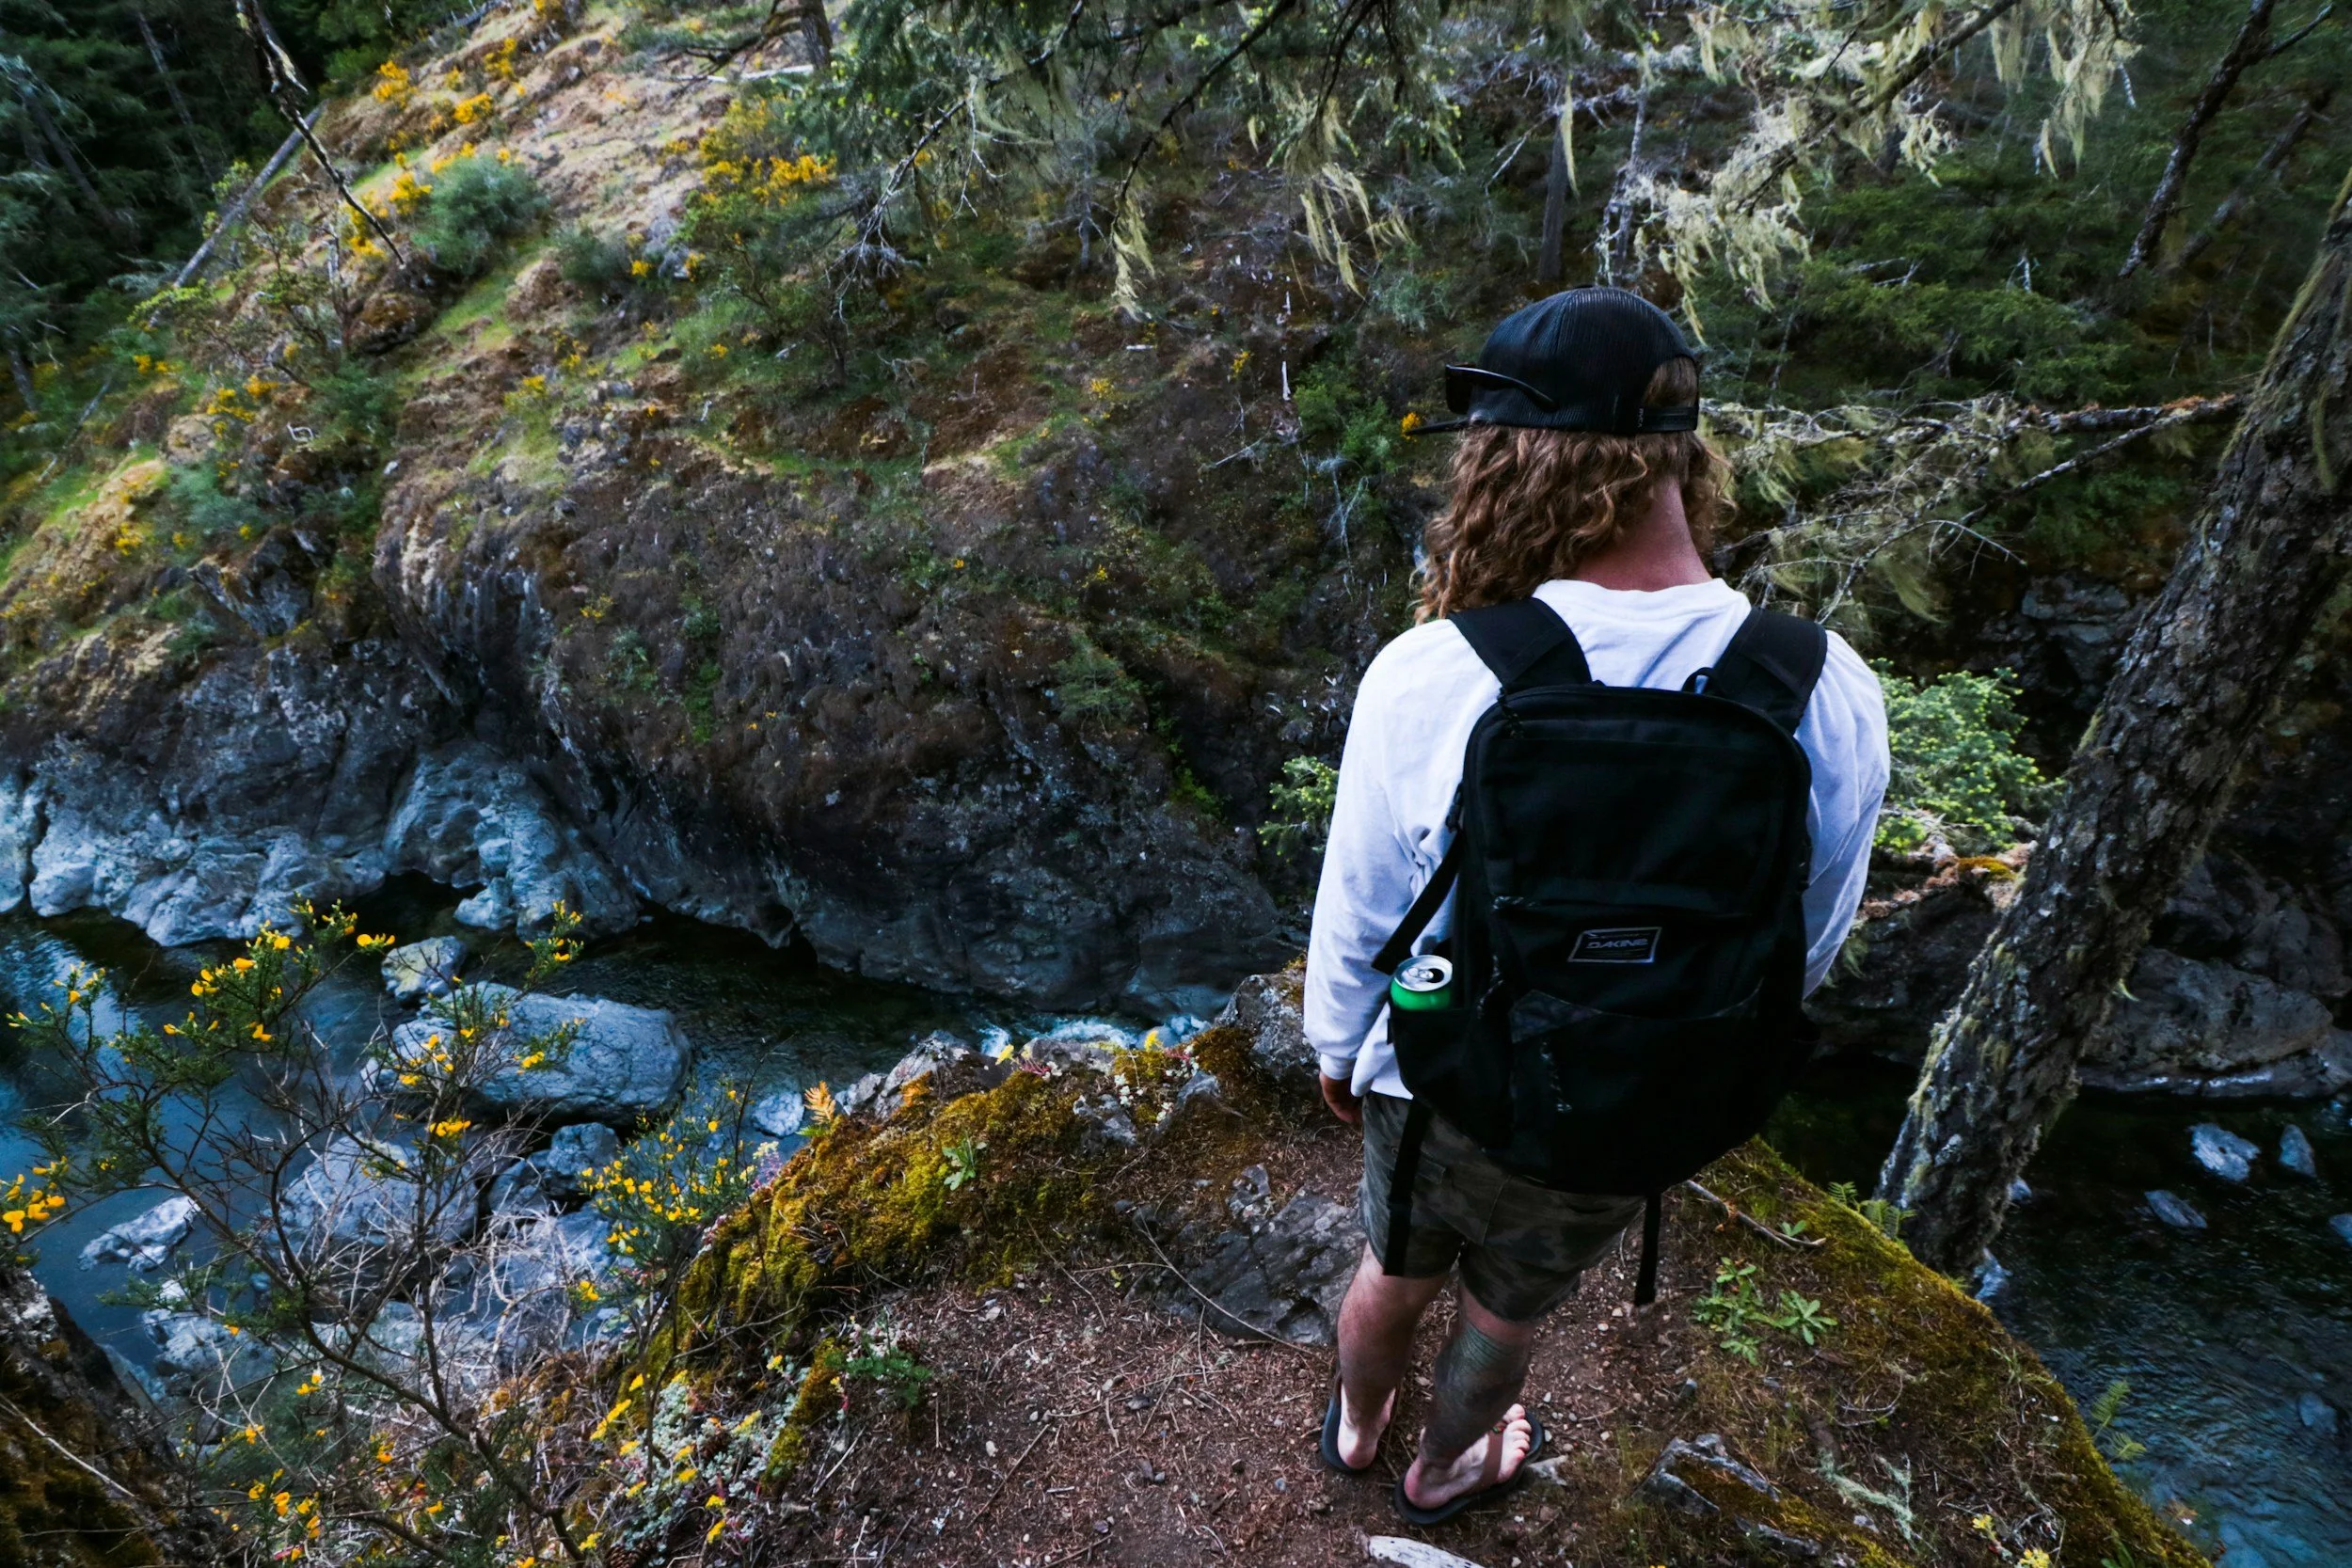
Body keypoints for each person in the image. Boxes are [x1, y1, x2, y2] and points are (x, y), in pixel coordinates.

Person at [1304, 287, 1889, 1523]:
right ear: (1688, 456)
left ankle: (1358, 1429)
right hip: (1638, 1093)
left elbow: (1363, 905)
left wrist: (1334, 1045)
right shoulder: (1824, 686)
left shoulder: (1438, 672)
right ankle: (1451, 1463)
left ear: (1513, 462)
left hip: (1444, 1080)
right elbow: (1809, 934)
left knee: (1393, 1267)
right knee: (1506, 1305)